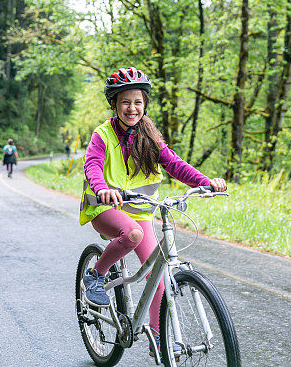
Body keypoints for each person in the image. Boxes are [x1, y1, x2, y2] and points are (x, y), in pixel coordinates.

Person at [79, 67, 226, 358]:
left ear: (145, 104)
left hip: (141, 210)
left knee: (157, 278)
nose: (132, 108)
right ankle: (96, 275)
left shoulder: (149, 135)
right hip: (105, 206)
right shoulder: (103, 134)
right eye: (125, 102)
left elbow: (175, 164)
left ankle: (158, 337)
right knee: (131, 234)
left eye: (138, 102)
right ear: (114, 105)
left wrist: (205, 182)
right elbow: (93, 165)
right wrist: (101, 188)